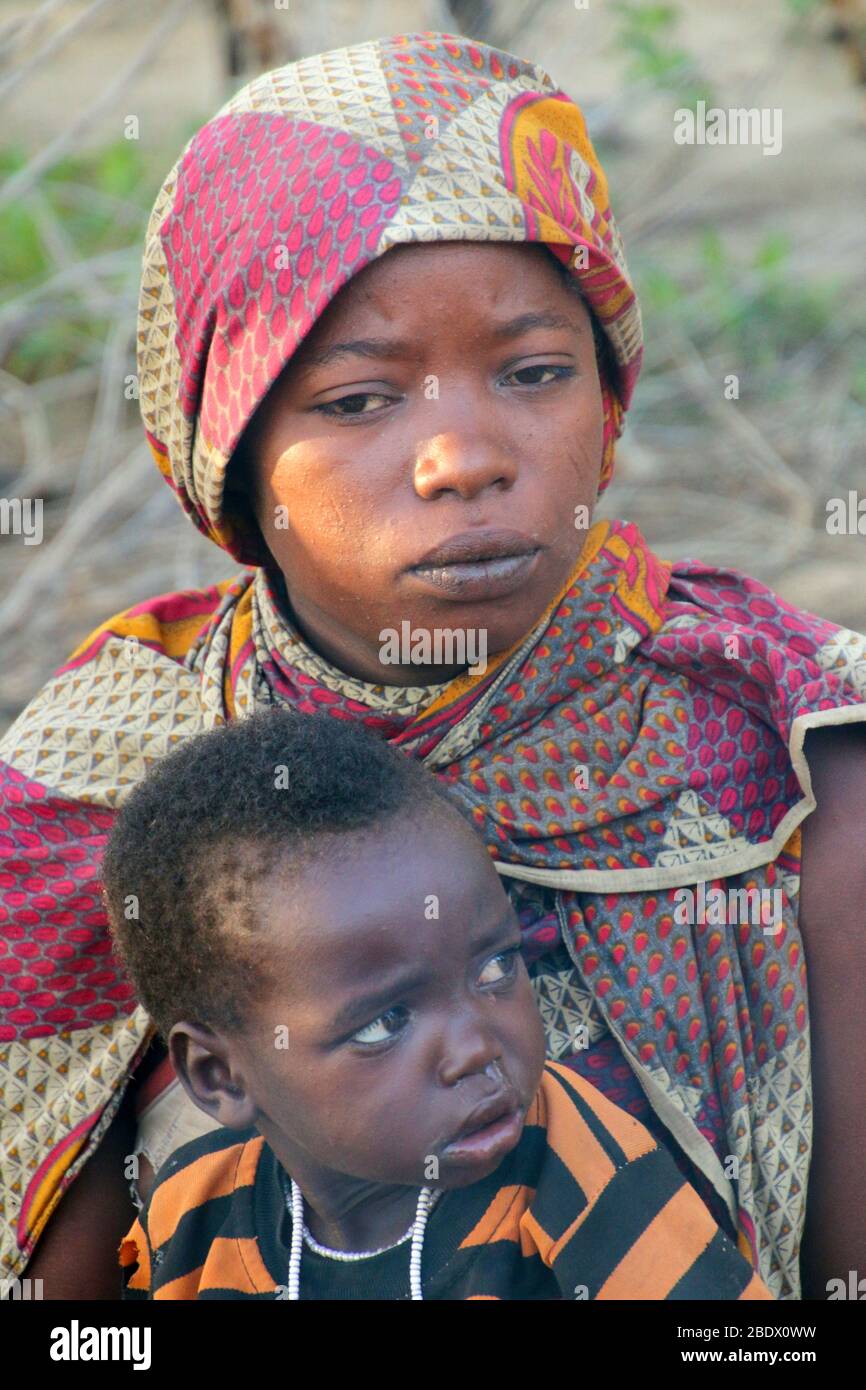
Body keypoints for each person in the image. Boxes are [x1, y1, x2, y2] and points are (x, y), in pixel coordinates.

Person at [2, 31, 865, 1303]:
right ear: (225, 456)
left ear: (608, 403)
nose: (462, 456)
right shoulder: (115, 773)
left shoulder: (791, 757)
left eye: (531, 373)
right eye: (357, 401)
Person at [103, 709, 772, 1301]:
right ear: (221, 1076)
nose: (477, 1048)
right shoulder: (191, 1217)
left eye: (495, 966)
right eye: (386, 1022)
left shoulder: (577, 1171)